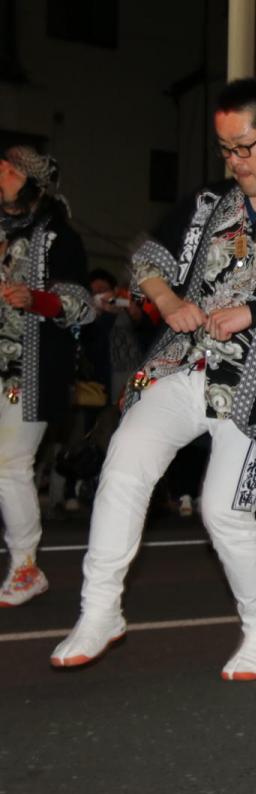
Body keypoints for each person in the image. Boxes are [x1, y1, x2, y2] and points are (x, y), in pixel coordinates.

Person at [50, 78, 256, 679]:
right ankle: (100, 611)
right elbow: (146, 260)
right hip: (182, 365)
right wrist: (167, 302)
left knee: (224, 511)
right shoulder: (204, 206)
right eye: (225, 150)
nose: (236, 162)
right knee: (122, 468)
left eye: (246, 147)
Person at [0, 146, 94, 607]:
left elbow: (82, 305)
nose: (0, 172)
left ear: (32, 183)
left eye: (10, 169)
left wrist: (37, 300)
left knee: (10, 464)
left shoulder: (59, 237)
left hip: (29, 371)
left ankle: (25, 568)